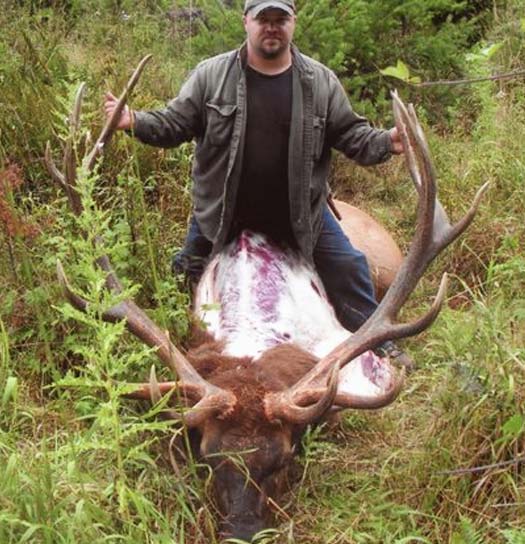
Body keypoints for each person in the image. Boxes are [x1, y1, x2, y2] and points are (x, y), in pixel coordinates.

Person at [104, 0, 413, 367]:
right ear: (246, 22)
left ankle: (376, 342)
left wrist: (386, 142)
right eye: (262, 19)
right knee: (184, 277)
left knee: (349, 269)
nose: (271, 27)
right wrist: (134, 120)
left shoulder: (319, 81)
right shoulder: (211, 75)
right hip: (223, 215)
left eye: (280, 19)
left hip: (299, 216)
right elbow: (174, 123)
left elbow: (351, 134)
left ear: (292, 23)